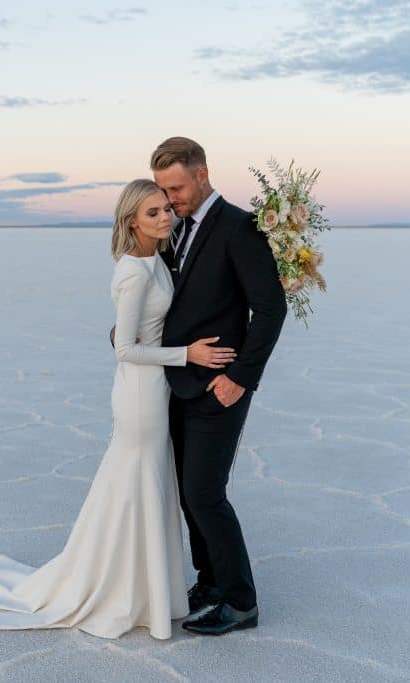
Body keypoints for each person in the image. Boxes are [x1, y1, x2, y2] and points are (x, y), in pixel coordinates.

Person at [0, 179, 237, 639]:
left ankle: (149, 592)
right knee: (137, 484)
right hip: (140, 395)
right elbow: (124, 348)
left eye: (166, 208)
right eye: (153, 213)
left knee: (145, 485)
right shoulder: (132, 271)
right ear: (132, 221)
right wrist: (188, 354)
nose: (165, 217)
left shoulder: (155, 259)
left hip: (156, 389)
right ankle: (122, 592)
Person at [152, 137, 287, 636]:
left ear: (203, 174)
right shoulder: (174, 230)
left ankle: (241, 601)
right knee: (189, 495)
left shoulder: (239, 227)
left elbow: (271, 309)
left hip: (219, 388)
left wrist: (241, 379)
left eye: (177, 186)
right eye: (163, 190)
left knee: (206, 493)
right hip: (176, 385)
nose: (170, 198)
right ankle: (210, 583)